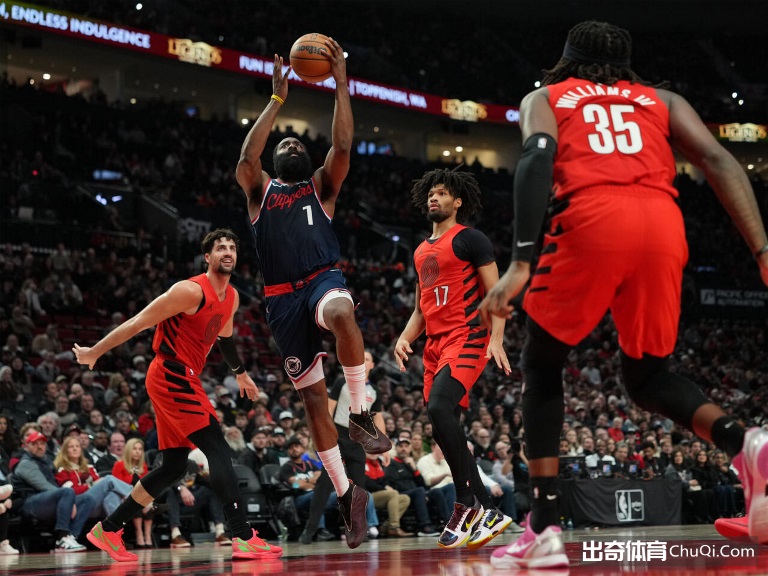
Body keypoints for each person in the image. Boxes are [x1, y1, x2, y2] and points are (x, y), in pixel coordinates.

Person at [479, 21, 768, 568]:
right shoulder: (662, 100)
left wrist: (520, 261)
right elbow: (719, 161)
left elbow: (537, 157)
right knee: (648, 376)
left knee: (542, 363)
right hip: (663, 224)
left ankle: (543, 526)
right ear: (627, 66)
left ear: (566, 59)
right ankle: (743, 443)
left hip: (593, 217)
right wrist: (762, 250)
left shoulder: (547, 97)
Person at [235, 44, 390, 549]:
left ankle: (360, 414)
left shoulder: (321, 187)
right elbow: (247, 158)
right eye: (285, 142)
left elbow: (342, 145)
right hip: (281, 300)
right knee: (313, 402)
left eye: (298, 141)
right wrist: (276, 99)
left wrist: (341, 84)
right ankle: (347, 495)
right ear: (277, 161)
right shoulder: (259, 191)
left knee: (343, 310)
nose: (292, 144)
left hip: (322, 280)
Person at [72, 228, 283, 563]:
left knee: (173, 467)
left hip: (184, 375)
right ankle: (242, 535)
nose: (227, 252)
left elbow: (225, 339)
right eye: (220, 248)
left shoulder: (231, 297)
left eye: (231, 247)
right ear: (207, 257)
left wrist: (240, 372)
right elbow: (138, 322)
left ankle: (108, 530)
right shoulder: (189, 290)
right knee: (217, 446)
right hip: (170, 372)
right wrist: (95, 351)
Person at [393, 167, 513, 549]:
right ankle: (467, 505)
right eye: (431, 193)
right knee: (441, 425)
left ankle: (483, 506)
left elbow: (497, 295)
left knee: (440, 408)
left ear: (457, 202)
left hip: (468, 335)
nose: (435, 197)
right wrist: (404, 337)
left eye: (443, 193)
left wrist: (497, 338)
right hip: (434, 344)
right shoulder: (419, 251)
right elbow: (421, 310)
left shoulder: (470, 239)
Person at [299, 349, 387, 544]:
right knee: (324, 483)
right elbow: (329, 409)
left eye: (367, 359)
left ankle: (358, 531)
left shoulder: (375, 391)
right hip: (337, 436)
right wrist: (322, 435)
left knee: (359, 489)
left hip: (357, 442)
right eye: (361, 358)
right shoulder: (342, 382)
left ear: (372, 365)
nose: (363, 361)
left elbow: (378, 418)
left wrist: (384, 446)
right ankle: (310, 529)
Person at [12, 430, 92, 552]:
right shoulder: (25, 464)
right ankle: (62, 537)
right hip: (30, 502)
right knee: (67, 492)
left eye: (42, 444)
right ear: (26, 446)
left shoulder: (47, 461)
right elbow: (43, 486)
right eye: (35, 444)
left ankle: (71, 537)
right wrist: (69, 498)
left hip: (48, 500)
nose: (40, 447)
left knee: (88, 499)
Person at [110, 438, 154, 548]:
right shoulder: (119, 465)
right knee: (136, 505)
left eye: (140, 449)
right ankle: (139, 535)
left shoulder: (143, 466)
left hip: (142, 497)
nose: (137, 452)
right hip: (123, 498)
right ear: (129, 450)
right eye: (134, 449)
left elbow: (147, 486)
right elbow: (116, 485)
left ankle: (148, 536)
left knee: (149, 506)